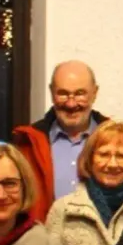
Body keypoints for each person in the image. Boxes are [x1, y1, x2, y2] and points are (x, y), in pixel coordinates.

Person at [12, 60, 107, 223]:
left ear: (95, 93)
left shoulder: (116, 140)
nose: (71, 103)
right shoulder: (28, 144)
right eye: (63, 93)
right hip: (45, 244)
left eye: (79, 94)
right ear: (51, 92)